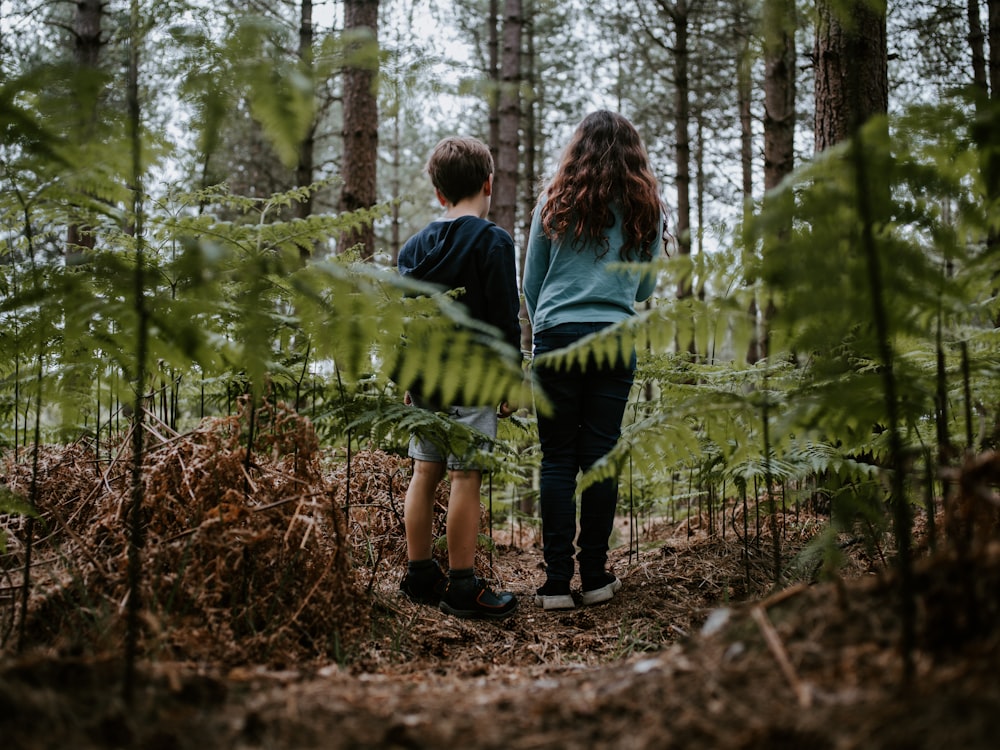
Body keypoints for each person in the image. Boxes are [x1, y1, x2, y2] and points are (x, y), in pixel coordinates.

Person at [523, 111, 665, 611]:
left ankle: (557, 584)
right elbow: (646, 288)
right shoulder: (646, 206)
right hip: (613, 338)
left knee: (558, 458)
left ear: (577, 148)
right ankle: (597, 577)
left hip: (556, 337)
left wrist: (548, 328)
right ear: (635, 153)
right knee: (600, 459)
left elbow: (531, 285)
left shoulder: (553, 200)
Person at [396, 136, 520, 621]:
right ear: (488, 183)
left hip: (425, 381)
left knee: (423, 473)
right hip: (474, 381)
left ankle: (421, 574)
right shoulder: (494, 241)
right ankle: (464, 586)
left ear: (438, 192)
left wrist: (407, 378)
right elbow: (504, 319)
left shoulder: (413, 248)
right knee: (465, 475)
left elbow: (403, 322)